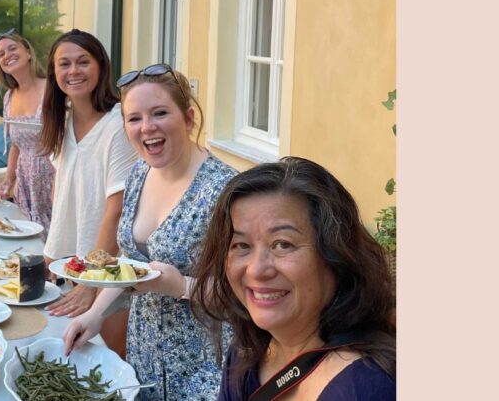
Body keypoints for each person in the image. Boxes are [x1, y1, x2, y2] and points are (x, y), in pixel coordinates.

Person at [62, 64, 238, 400]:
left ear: (188, 118)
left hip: (205, 370)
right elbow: (131, 263)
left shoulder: (226, 191)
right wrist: (95, 314)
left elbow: (245, 293)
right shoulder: (139, 173)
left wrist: (183, 286)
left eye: (159, 113)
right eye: (134, 118)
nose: (147, 128)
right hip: (143, 357)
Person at [190, 157, 396, 400]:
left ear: (335, 255)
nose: (256, 270)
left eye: (282, 245)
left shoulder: (365, 387)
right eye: (241, 245)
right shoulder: (247, 351)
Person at [37, 30, 136, 355]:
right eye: (64, 64)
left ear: (101, 67)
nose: (73, 71)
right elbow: (63, 194)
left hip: (107, 273)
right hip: (71, 269)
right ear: (53, 72)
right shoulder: (60, 122)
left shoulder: (117, 124)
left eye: (83, 62)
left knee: (106, 364)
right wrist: (51, 255)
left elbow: (117, 209)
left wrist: (92, 282)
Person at [0, 29, 55, 240]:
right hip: (24, 182)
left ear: (28, 53)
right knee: (27, 240)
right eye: (1, 54)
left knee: (54, 239)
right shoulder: (9, 97)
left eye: (12, 48)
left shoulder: (51, 90)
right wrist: (9, 179)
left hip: (52, 179)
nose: (7, 55)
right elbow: (16, 145)